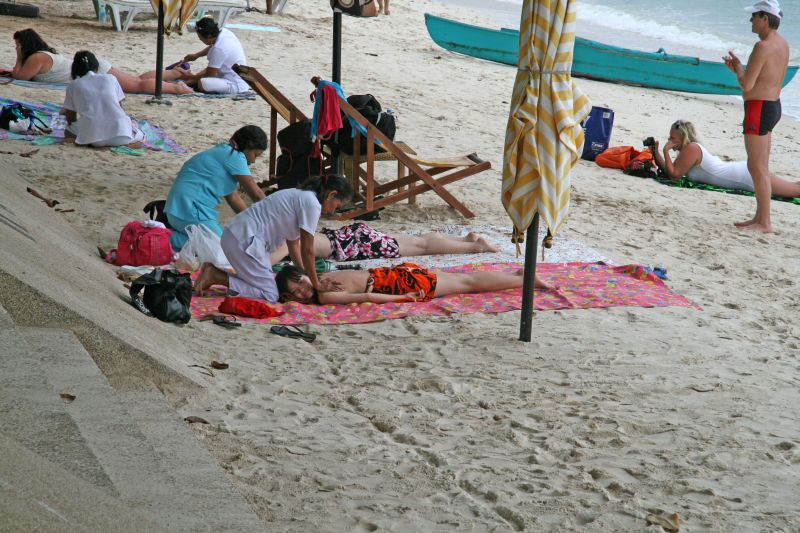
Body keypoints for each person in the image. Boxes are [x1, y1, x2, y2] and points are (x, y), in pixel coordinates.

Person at [193, 175, 354, 303]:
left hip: (238, 235)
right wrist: (316, 283)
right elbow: (308, 250)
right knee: (270, 294)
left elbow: (293, 244)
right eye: (337, 205)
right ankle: (214, 275)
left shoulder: (302, 195)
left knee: (257, 281)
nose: (333, 211)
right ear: (331, 194)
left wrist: (303, 272)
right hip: (244, 239)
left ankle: (212, 272)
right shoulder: (312, 203)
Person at [722, 0, 790, 233]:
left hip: (758, 108)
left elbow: (747, 86)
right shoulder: (782, 44)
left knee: (757, 166)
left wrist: (738, 69)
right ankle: (760, 217)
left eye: (753, 16)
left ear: (764, 18)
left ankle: (765, 222)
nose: (750, 20)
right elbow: (765, 79)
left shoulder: (762, 47)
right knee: (760, 165)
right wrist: (742, 70)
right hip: (773, 106)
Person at [165, 125, 268, 250]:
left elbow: (233, 197)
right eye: (255, 155)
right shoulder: (235, 157)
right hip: (189, 210)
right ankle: (159, 237)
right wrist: (275, 216)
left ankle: (162, 236)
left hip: (179, 209)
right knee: (220, 247)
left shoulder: (224, 151)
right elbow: (256, 193)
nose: (254, 161)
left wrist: (253, 221)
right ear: (247, 148)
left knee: (216, 244)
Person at [9, 29, 193, 94]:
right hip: (94, 67)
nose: (17, 48)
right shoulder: (40, 55)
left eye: (18, 45)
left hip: (94, 70)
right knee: (137, 81)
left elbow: (21, 77)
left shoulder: (36, 57)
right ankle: (175, 74)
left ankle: (179, 88)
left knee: (138, 85)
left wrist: (19, 56)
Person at [275, 262, 552, 305]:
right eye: (295, 292)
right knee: (463, 281)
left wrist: (403, 298)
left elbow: (368, 298)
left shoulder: (324, 293)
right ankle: (518, 277)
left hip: (393, 284)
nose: (301, 290)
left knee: (468, 284)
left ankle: (525, 279)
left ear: (302, 273)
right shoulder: (321, 278)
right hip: (391, 275)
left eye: (297, 283)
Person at [653, 119, 800, 197]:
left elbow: (674, 176)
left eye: (672, 137)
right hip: (741, 171)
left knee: (795, 191)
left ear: (682, 138)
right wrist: (656, 152)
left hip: (746, 177)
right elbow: (670, 169)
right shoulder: (688, 150)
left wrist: (666, 151)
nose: (669, 139)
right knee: (794, 186)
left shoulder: (692, 149)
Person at [268, 222, 500, 264]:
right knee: (416, 242)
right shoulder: (285, 233)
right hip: (350, 236)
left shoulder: (283, 242)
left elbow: (267, 262)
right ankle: (463, 240)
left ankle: (475, 247)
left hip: (353, 244)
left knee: (420, 248)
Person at [62, 51, 145, 148]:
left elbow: (70, 118)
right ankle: (129, 144)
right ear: (97, 67)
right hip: (122, 135)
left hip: (93, 139)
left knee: (68, 130)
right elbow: (119, 107)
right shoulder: (111, 78)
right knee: (139, 133)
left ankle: (82, 141)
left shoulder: (73, 86)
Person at [149, 17, 249, 94]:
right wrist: (196, 55)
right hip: (230, 72)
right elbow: (212, 46)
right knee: (203, 73)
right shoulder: (224, 33)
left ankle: (187, 82)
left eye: (201, 38)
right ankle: (187, 82)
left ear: (209, 36)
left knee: (203, 83)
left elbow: (210, 74)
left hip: (235, 83)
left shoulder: (219, 49)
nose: (200, 40)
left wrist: (188, 77)